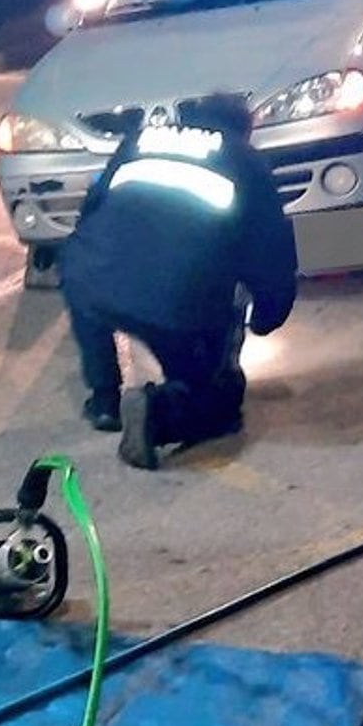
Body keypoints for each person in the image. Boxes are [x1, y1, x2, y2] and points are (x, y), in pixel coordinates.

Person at [59, 92, 298, 471]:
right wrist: (267, 314)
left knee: (94, 288)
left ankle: (105, 399)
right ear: (242, 129)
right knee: (221, 405)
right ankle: (160, 409)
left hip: (90, 276)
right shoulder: (244, 159)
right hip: (173, 302)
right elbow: (270, 251)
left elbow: (92, 208)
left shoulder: (141, 139)